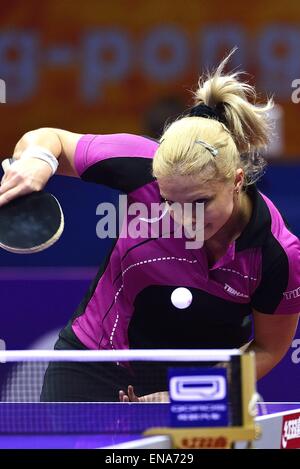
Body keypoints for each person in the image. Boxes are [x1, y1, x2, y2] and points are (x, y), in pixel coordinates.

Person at [0, 52, 299, 402]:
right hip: (95, 362)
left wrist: (191, 394)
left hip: (197, 381)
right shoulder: (141, 165)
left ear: (235, 181)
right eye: (171, 202)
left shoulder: (277, 253)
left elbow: (268, 346)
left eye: (201, 203)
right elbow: (48, 138)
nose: (186, 221)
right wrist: (39, 159)